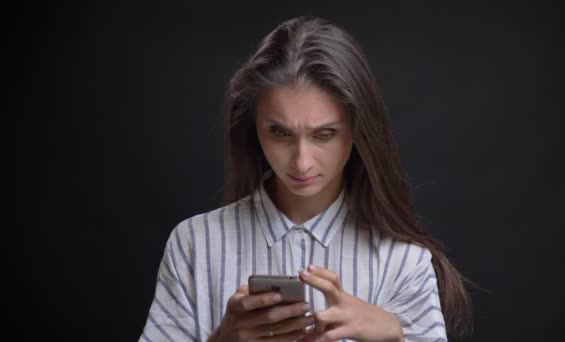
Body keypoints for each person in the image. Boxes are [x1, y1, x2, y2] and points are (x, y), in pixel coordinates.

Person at [140, 16, 473, 342]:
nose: (301, 162)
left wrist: (394, 337)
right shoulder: (195, 245)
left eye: (324, 134)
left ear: (358, 131)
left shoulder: (403, 260)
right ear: (253, 127)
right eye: (280, 132)